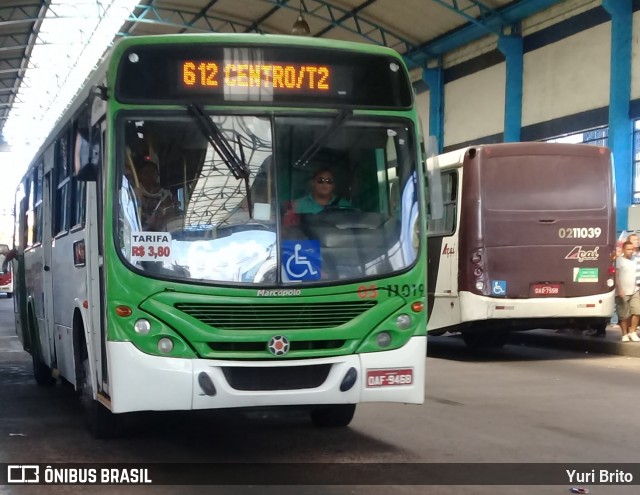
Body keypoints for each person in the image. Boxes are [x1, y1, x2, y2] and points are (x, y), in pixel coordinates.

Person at [135, 158, 179, 231]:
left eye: (152, 172)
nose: (149, 175)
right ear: (139, 175)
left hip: (159, 232)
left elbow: (170, 215)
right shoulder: (135, 191)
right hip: (138, 232)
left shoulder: (165, 194)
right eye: (146, 173)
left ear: (157, 174)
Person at [615, 240, 640, 342]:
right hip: (622, 292)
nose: (630, 251)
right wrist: (620, 289)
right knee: (624, 315)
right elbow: (616, 276)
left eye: (632, 249)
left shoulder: (636, 259)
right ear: (623, 250)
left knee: (637, 311)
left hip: (635, 290)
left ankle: (633, 332)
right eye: (628, 249)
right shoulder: (619, 260)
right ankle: (624, 334)